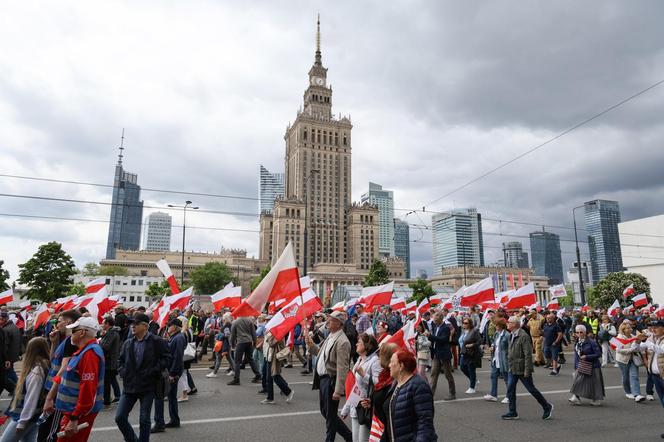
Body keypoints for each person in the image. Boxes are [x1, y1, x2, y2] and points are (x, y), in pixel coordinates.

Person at [114, 312, 170, 442]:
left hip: (148, 386)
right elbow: (120, 361)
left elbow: (166, 359)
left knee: (144, 419)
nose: (132, 326)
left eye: (136, 323)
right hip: (129, 386)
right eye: (131, 324)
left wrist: (153, 371)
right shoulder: (128, 343)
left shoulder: (157, 341)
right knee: (120, 417)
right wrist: (123, 372)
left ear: (145, 326)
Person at [52, 317, 105, 441]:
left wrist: (75, 418)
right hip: (74, 412)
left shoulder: (89, 354)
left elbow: (88, 389)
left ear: (82, 333)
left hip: (78, 414)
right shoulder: (84, 352)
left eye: (74, 330)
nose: (70, 334)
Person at [306, 311, 352, 442]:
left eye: (331, 320)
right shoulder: (331, 336)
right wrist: (311, 345)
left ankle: (331, 439)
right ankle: (349, 436)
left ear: (339, 323)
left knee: (330, 416)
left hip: (331, 380)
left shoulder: (343, 341)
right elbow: (321, 354)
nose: (328, 322)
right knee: (325, 412)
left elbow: (342, 368)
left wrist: (338, 390)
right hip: (323, 380)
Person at [38, 309, 81, 442]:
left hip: (57, 392)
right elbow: (53, 361)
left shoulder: (71, 342)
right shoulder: (64, 340)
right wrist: (54, 342)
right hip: (51, 387)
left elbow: (63, 370)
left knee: (50, 434)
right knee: (44, 430)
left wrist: (50, 396)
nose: (57, 324)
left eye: (60, 321)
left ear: (68, 322)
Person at [502, 316, 553, 420]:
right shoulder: (511, 334)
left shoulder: (523, 336)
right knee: (510, 389)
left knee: (531, 389)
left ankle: (546, 406)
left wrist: (527, 370)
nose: (507, 324)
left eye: (509, 322)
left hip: (522, 368)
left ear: (515, 324)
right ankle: (512, 412)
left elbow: (528, 355)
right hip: (513, 367)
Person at [0, 337, 49, 442]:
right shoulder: (41, 366)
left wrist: (22, 422)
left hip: (24, 416)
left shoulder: (37, 371)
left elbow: (31, 398)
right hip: (33, 415)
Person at [383, 350, 437, 442]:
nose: (389, 365)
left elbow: (425, 422)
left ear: (401, 366)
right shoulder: (395, 383)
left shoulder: (419, 386)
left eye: (392, 362)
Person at [340, 333, 380, 442]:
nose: (356, 344)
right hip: (355, 406)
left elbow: (379, 383)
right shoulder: (359, 360)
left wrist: (364, 375)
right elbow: (356, 388)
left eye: (360, 342)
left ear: (368, 346)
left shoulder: (375, 361)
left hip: (366, 407)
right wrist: (346, 408)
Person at [153, 318, 186, 432]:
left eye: (170, 325)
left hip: (172, 372)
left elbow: (177, 357)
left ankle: (167, 421)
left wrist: (172, 374)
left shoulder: (179, 338)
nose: (168, 327)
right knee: (171, 397)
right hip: (172, 371)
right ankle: (174, 420)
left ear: (175, 327)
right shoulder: (175, 337)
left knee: (165, 396)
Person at [361, 343, 399, 439]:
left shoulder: (396, 380)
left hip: (389, 428)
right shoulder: (383, 375)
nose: (378, 357)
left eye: (380, 355)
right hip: (378, 425)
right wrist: (371, 403)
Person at [568, 324, 604, 406]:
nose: (579, 334)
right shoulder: (577, 341)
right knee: (578, 381)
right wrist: (576, 366)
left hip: (593, 365)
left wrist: (587, 356)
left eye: (581, 332)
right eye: (577, 332)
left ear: (585, 332)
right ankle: (576, 397)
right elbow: (576, 355)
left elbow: (598, 354)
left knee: (595, 383)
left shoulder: (592, 342)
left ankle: (596, 399)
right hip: (581, 365)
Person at [260, 331, 295, 405]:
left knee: (275, 376)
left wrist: (268, 337)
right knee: (270, 377)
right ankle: (270, 398)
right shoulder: (270, 331)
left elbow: (272, 344)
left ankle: (288, 391)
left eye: (268, 320)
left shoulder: (277, 332)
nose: (266, 322)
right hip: (268, 356)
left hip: (274, 357)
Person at [427, 312, 455, 400]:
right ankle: (431, 394)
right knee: (433, 374)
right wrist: (429, 338)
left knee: (448, 374)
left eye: (435, 320)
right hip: (436, 354)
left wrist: (430, 336)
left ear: (441, 319)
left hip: (444, 354)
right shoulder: (436, 327)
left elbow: (443, 340)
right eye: (434, 319)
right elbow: (435, 339)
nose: (434, 321)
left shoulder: (446, 328)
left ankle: (452, 393)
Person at [615, 320, 645, 402]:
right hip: (622, 360)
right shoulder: (619, 337)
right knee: (625, 376)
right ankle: (627, 392)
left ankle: (637, 394)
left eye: (630, 327)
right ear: (623, 329)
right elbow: (618, 350)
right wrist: (631, 350)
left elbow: (636, 346)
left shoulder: (633, 335)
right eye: (627, 328)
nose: (629, 329)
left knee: (634, 376)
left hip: (633, 359)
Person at [227, 316, 261, 386]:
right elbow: (253, 333)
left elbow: (233, 335)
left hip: (241, 342)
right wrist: (254, 342)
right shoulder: (249, 321)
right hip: (249, 341)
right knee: (250, 359)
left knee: (237, 361)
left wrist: (232, 344)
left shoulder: (235, 322)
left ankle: (236, 379)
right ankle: (258, 374)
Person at [484, 318, 509, 403]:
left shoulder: (507, 335)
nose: (495, 326)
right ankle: (493, 395)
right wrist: (492, 347)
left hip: (503, 360)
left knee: (506, 378)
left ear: (501, 325)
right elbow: (494, 343)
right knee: (493, 376)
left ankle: (509, 396)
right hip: (496, 358)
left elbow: (510, 348)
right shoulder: (496, 334)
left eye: (497, 325)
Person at [99, 317, 121, 407]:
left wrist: (99, 342)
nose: (102, 325)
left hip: (109, 361)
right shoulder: (111, 332)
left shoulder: (111, 333)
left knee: (107, 382)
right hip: (111, 361)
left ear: (108, 324)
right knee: (112, 380)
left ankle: (107, 400)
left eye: (103, 323)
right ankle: (117, 396)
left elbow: (106, 346)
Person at [459, 317, 481, 394]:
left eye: (466, 323)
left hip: (471, 353)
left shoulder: (474, 331)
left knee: (471, 370)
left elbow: (479, 341)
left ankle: (472, 387)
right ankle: (474, 380)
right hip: (464, 353)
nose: (464, 324)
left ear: (470, 324)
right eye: (463, 323)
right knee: (462, 367)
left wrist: (472, 344)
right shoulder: (464, 331)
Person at [0, 311, 22, 392]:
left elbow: (4, 346)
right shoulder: (13, 326)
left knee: (8, 374)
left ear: (5, 319)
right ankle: (17, 388)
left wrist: (6, 358)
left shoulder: (5, 329)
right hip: (12, 354)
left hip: (8, 356)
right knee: (8, 373)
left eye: (1, 319)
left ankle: (18, 389)